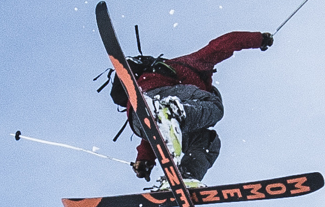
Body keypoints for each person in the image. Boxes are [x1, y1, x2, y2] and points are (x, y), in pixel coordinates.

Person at [114, 30, 273, 184]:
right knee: (215, 107)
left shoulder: (167, 115)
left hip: (138, 122)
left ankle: (185, 177)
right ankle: (174, 113)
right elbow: (224, 43)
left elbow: (152, 130)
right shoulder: (195, 65)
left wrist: (144, 160)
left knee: (208, 140)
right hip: (156, 94)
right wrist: (258, 39)